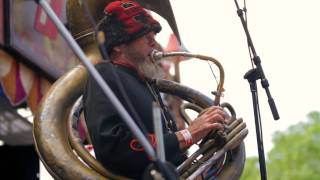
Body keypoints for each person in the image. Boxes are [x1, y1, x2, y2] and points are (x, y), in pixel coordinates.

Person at [83, 0, 227, 179]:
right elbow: (114, 148)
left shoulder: (146, 83)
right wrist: (189, 134)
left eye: (154, 36)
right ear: (118, 45)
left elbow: (166, 148)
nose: (154, 42)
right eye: (145, 36)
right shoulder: (106, 74)